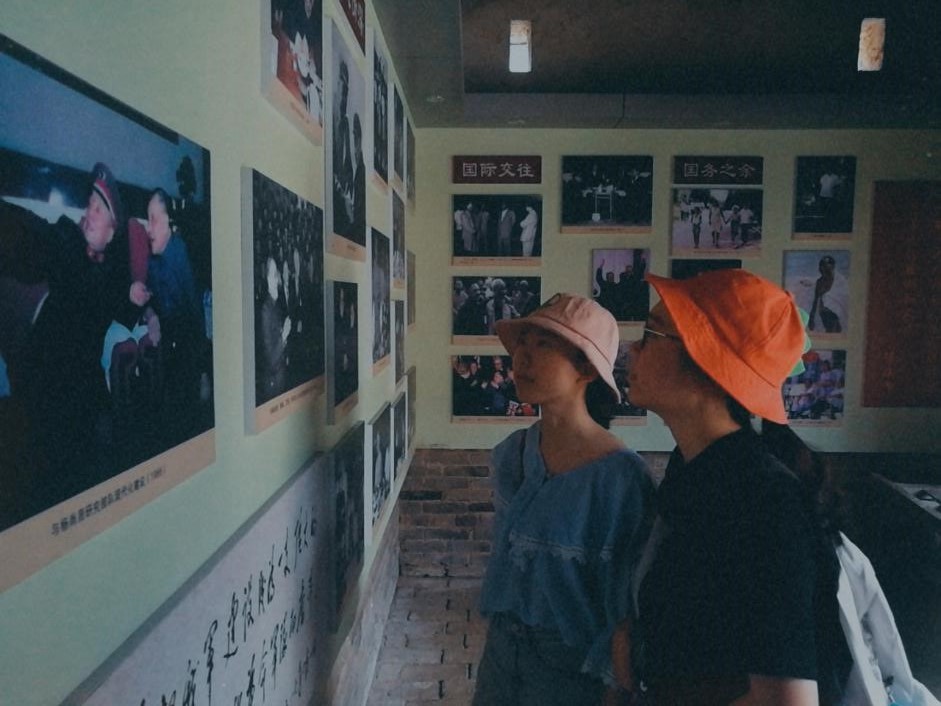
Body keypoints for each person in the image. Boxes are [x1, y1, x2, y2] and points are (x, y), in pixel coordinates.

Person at [626, 269, 850, 705]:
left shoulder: (765, 503)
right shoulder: (695, 467)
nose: (633, 348)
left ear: (707, 363)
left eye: (651, 334)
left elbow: (787, 700)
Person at [473, 293, 652, 706]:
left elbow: (624, 605)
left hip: (572, 666)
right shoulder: (514, 453)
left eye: (543, 345)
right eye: (522, 342)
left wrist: (614, 689)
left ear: (586, 368)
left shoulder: (621, 478)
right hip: (502, 651)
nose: (522, 357)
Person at [808, 255, 848, 333]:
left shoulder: (839, 281)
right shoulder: (820, 282)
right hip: (826, 312)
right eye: (822, 268)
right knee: (832, 331)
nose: (824, 271)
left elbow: (843, 297)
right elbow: (815, 300)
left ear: (832, 268)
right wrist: (811, 318)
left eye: (827, 268)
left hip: (836, 312)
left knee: (838, 331)